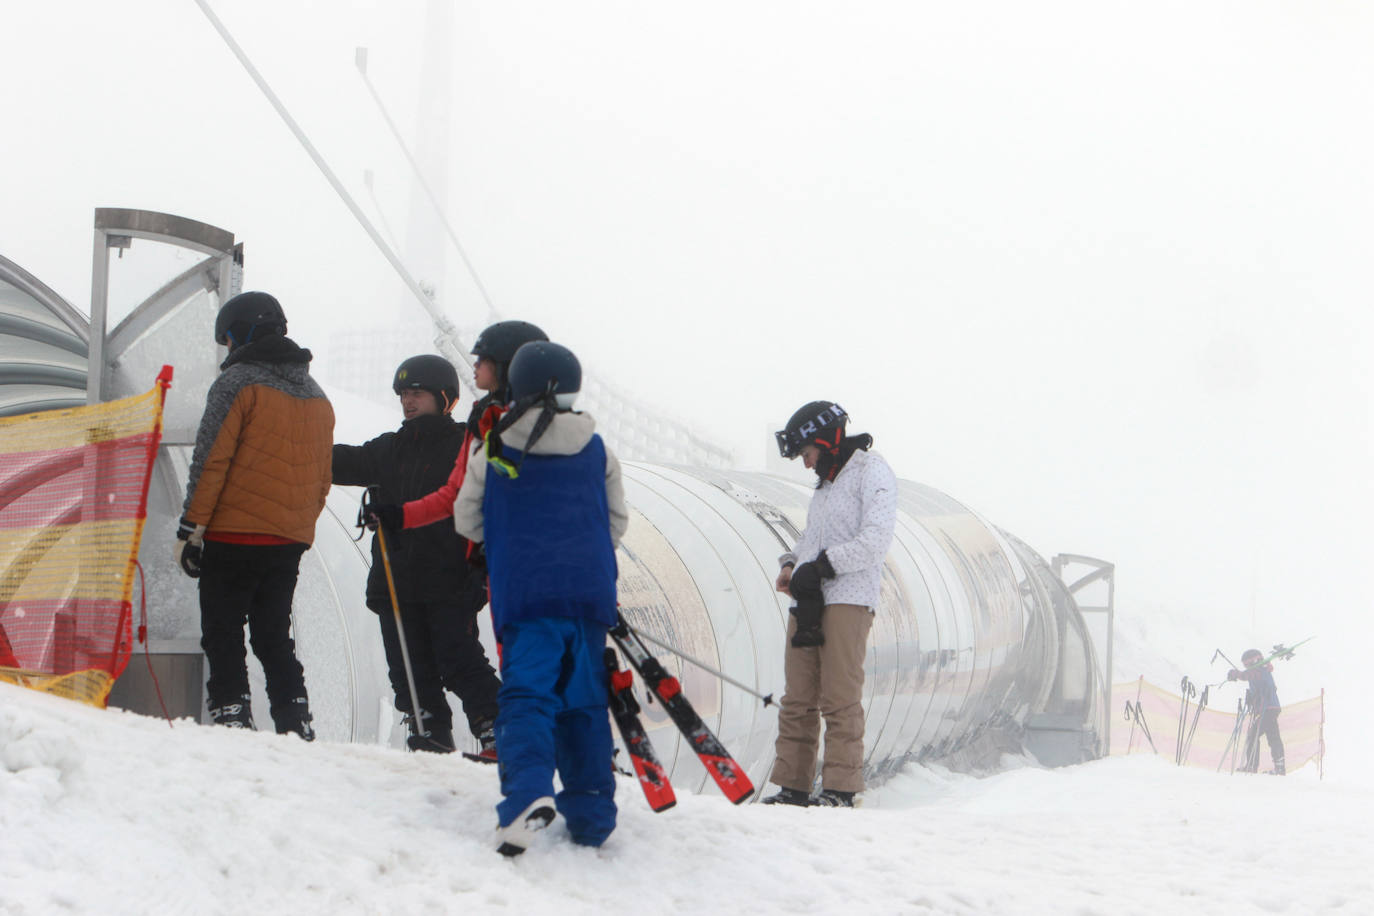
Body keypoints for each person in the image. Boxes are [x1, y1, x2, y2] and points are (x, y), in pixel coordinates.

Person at [452, 340, 628, 856]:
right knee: (584, 702)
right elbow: (615, 522)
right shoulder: (598, 449)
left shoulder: (495, 448)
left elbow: (467, 518)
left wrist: (506, 543)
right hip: (589, 596)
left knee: (528, 697)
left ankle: (528, 795)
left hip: (528, 597)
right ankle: (593, 815)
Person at [174, 291, 333, 740]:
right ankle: (294, 717)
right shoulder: (318, 397)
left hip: (233, 535)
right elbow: (322, 477)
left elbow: (211, 461)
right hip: (287, 541)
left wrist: (191, 530)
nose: (227, 350)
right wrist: (298, 528)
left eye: (227, 340)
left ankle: (231, 715)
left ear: (239, 335)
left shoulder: (237, 383)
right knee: (272, 636)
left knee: (223, 630)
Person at [331, 355, 501, 755]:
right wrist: (294, 444)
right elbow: (341, 461)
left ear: (445, 398)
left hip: (452, 578)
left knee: (457, 658)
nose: (408, 401)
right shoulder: (390, 448)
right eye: (404, 394)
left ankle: (499, 730)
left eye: (417, 393)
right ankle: (429, 736)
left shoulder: (467, 447)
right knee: (408, 669)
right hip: (396, 581)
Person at [762, 401, 897, 808]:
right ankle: (793, 786)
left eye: (807, 455)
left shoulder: (871, 472)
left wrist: (822, 567)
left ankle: (840, 788)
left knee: (839, 695)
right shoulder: (825, 486)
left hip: (848, 600)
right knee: (798, 696)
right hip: (809, 599)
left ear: (825, 439)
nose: (806, 466)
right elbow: (812, 538)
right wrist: (793, 563)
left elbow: (874, 541)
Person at [365, 320, 548, 535]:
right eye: (404, 394)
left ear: (510, 365)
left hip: (519, 561)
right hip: (491, 562)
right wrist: (400, 516)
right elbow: (456, 494)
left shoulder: (535, 428)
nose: (475, 365)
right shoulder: (482, 421)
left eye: (484, 359)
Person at [1229, 648, 1285, 775]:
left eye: (1247, 664)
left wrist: (1236, 674)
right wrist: (1253, 698)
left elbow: (1248, 675)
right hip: (1270, 707)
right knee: (1272, 736)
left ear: (1253, 661)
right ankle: (1279, 767)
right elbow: (1254, 682)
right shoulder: (1261, 670)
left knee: (1253, 734)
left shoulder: (1260, 670)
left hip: (1268, 708)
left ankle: (1252, 765)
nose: (1246, 667)